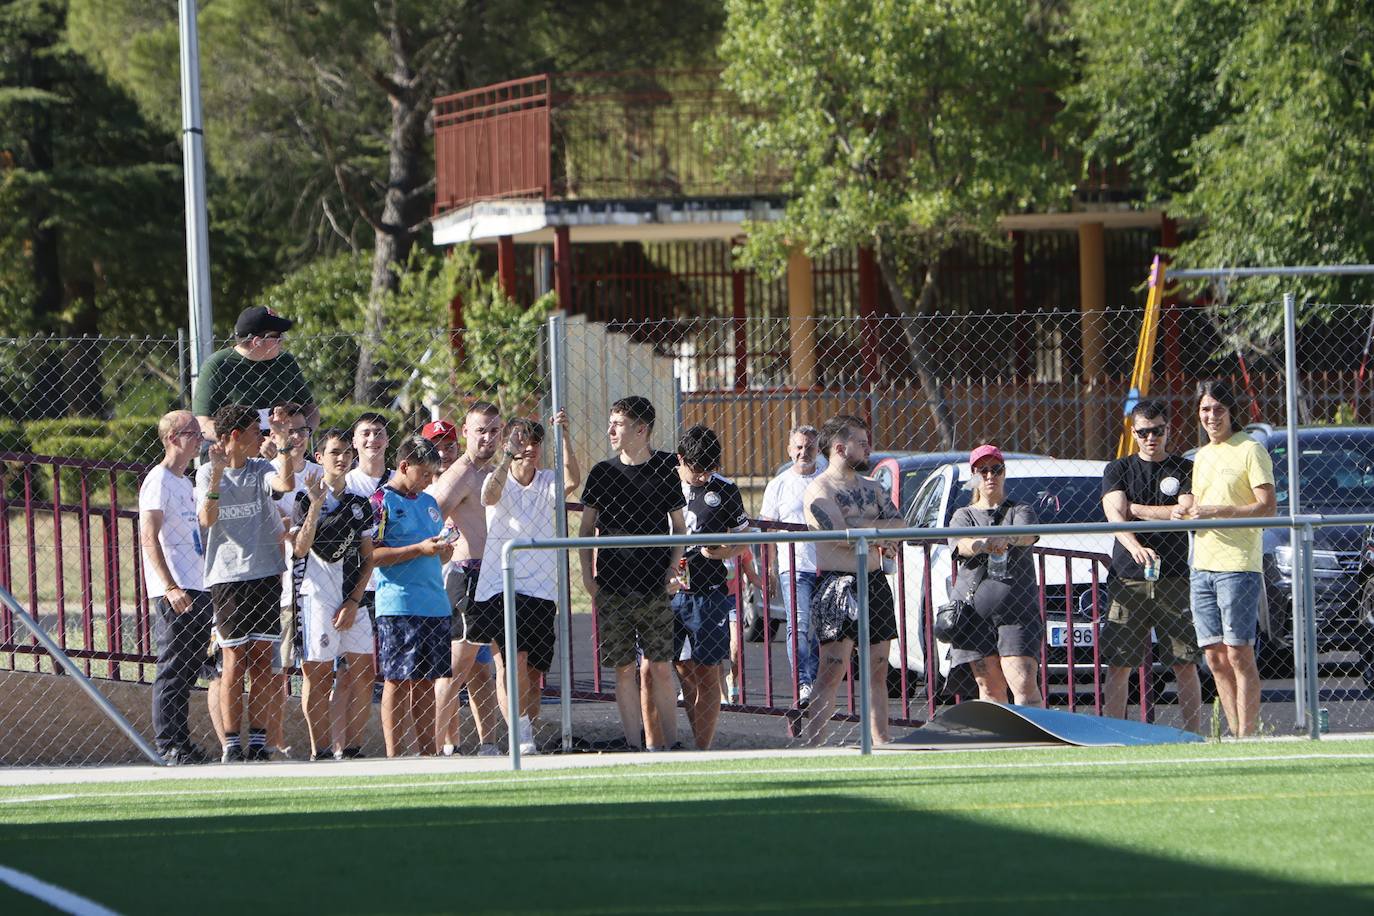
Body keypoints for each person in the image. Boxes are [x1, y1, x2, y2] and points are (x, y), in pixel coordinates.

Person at [578, 396, 687, 751]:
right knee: (623, 669)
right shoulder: (602, 472)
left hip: (654, 586)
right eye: (611, 422)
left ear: (641, 429)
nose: (611, 430)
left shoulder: (665, 469)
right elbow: (585, 529)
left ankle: (671, 744)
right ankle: (632, 744)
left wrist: (673, 567)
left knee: (660, 667)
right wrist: (586, 577)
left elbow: (679, 527)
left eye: (619, 423)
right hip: (613, 586)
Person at [472, 411, 581, 755]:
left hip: (542, 587)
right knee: (514, 661)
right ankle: (521, 735)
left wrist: (563, 434)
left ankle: (526, 726)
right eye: (521, 440)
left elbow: (572, 479)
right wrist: (507, 455)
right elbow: (488, 497)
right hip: (503, 583)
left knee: (533, 672)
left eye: (535, 440)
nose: (529, 446)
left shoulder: (547, 479)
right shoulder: (497, 476)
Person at [196, 404, 297, 762]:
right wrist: (217, 477)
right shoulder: (208, 470)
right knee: (233, 660)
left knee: (262, 661)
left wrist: (283, 444)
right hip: (228, 578)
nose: (262, 438)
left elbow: (285, 483)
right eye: (257, 431)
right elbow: (206, 520)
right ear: (236, 435)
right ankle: (230, 743)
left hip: (266, 574)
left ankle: (257, 740)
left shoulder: (260, 469)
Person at [796, 415, 905, 746]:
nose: (867, 446)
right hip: (838, 585)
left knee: (878, 670)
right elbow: (836, 533)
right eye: (861, 441)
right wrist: (873, 531)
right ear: (841, 448)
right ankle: (814, 744)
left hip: (874, 581)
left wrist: (862, 531)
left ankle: (881, 741)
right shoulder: (819, 489)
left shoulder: (873, 487)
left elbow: (900, 525)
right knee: (832, 670)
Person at [1175, 380, 1276, 737]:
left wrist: (1220, 511)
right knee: (1214, 657)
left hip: (1237, 565)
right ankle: (1233, 734)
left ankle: (1247, 735)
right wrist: (1184, 510)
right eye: (1205, 409)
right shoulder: (1201, 456)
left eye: (1218, 409)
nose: (1211, 416)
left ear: (1232, 411)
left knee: (1238, 654)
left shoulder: (1250, 449)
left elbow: (1266, 507)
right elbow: (1195, 504)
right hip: (1201, 564)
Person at [1100, 400, 1203, 732]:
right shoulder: (1118, 469)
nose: (1151, 438)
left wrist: (1138, 509)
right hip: (1127, 579)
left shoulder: (1183, 467)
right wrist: (1134, 545)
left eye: (1157, 431)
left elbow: (1184, 512)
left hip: (1173, 577)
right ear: (1134, 433)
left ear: (1167, 430)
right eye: (1143, 432)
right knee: (1119, 663)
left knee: (1184, 662)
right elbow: (1114, 514)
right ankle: (1113, 735)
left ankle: (1193, 735)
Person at [661, 425, 749, 750]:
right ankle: (693, 741)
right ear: (681, 459)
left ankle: (702, 750)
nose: (702, 476)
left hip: (708, 594)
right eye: (697, 469)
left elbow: (743, 539)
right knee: (682, 669)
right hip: (669, 594)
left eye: (710, 469)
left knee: (709, 670)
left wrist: (721, 551)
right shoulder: (662, 483)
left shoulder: (725, 490)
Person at [293, 429, 377, 761]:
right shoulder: (305, 498)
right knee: (318, 673)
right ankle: (321, 750)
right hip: (316, 596)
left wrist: (354, 601)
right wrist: (315, 506)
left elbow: (369, 557)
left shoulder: (360, 505)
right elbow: (300, 549)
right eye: (334, 453)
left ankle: (353, 747)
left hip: (353, 599)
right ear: (319, 457)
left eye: (346, 453)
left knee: (363, 671)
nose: (341, 458)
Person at [427, 403, 505, 756]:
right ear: (467, 432)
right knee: (455, 668)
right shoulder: (461, 472)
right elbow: (431, 512)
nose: (487, 437)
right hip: (469, 576)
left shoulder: (497, 470)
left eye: (493, 430)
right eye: (480, 430)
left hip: (499, 576)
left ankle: (491, 743)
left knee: (494, 669)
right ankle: (432, 746)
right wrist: (444, 541)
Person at [370, 436, 455, 757]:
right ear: (404, 466)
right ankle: (394, 754)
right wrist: (418, 549)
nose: (429, 482)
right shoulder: (380, 502)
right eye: (424, 474)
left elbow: (438, 557)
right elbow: (373, 557)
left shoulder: (429, 503)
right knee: (397, 679)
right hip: (399, 605)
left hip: (435, 604)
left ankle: (428, 753)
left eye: (434, 475)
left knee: (426, 681)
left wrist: (443, 550)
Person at [139, 410, 214, 764]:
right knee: (172, 666)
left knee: (188, 667)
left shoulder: (186, 482)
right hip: (176, 589)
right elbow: (149, 537)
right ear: (172, 438)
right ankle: (168, 744)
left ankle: (182, 742)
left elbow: (201, 525)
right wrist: (169, 586)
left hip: (197, 584)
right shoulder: (158, 479)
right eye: (193, 433)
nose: (200, 439)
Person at [946, 444, 1043, 707]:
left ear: (1004, 472)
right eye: (983, 470)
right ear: (974, 476)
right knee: (988, 687)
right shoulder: (963, 515)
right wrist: (983, 543)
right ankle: (1001, 744)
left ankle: (1036, 742)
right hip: (973, 616)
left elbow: (1026, 535)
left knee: (1022, 682)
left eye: (996, 469)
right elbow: (961, 545)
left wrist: (1005, 537)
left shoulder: (1019, 510)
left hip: (1016, 613)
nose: (990, 476)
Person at [267, 402, 319, 758]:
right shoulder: (266, 473)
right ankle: (276, 741)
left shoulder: (320, 473)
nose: (297, 437)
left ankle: (324, 746)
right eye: (289, 430)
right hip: (282, 585)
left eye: (302, 430)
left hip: (321, 585)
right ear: (274, 434)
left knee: (317, 669)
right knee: (277, 670)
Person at [759, 425, 821, 706]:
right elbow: (767, 529)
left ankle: (816, 680)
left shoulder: (826, 481)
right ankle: (803, 684)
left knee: (821, 630)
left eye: (809, 447)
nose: (803, 452)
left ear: (818, 449)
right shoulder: (779, 484)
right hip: (793, 568)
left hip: (827, 567)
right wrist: (770, 567)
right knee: (798, 625)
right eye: (798, 447)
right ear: (789, 450)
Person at [192, 306, 318, 441]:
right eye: (276, 336)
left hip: (283, 444)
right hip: (237, 450)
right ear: (257, 341)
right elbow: (203, 423)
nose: (282, 339)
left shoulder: (285, 361)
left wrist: (300, 435)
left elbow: (311, 410)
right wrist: (250, 442)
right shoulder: (218, 365)